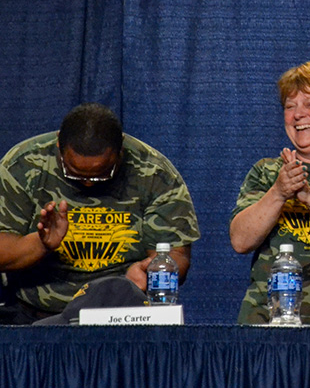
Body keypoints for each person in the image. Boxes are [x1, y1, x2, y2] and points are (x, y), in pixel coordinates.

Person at [0, 103, 200, 324]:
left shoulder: (155, 173)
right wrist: (41, 243)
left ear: (121, 151)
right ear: (58, 146)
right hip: (34, 318)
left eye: (102, 174)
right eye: (74, 174)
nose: (87, 184)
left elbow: (176, 257)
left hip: (121, 317)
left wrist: (149, 272)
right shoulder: (23, 165)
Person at [230, 61, 310, 324]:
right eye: (290, 107)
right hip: (266, 322)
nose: (298, 115)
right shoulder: (267, 172)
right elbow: (240, 240)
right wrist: (279, 192)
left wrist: (308, 197)